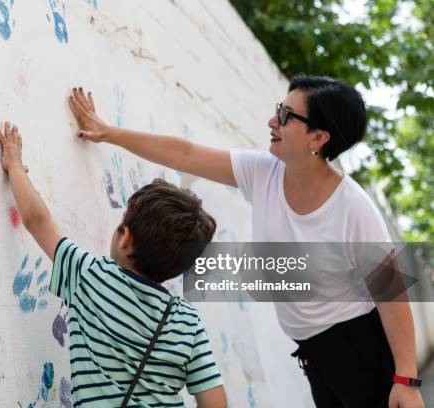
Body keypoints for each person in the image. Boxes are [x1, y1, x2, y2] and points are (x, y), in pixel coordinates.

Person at [67, 76, 425, 408]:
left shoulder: (352, 208)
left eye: (286, 115)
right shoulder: (263, 173)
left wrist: (406, 379)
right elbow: (187, 154)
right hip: (314, 355)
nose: (273, 121)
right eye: (277, 110)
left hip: (358, 350)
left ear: (318, 138)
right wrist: (109, 133)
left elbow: (391, 293)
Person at [0, 122, 227, 407]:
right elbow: (215, 403)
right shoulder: (187, 323)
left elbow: (38, 221)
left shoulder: (91, 276)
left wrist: (14, 164)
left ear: (125, 237)